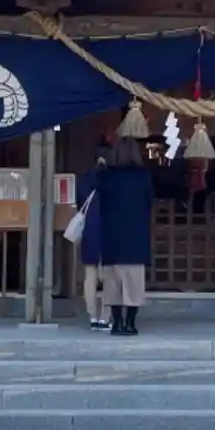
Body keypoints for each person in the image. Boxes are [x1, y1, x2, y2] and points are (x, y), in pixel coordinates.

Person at [95, 136, 154, 336]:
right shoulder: (143, 177)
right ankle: (130, 323)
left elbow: (99, 198)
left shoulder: (107, 176)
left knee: (113, 283)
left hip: (112, 235)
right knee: (134, 283)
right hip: (136, 235)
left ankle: (117, 323)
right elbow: (149, 201)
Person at [75, 141, 111, 331]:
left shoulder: (83, 180)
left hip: (89, 229)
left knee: (90, 275)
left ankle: (92, 316)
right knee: (108, 277)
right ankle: (105, 316)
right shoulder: (112, 180)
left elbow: (79, 204)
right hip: (109, 230)